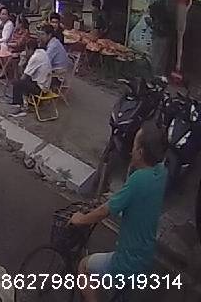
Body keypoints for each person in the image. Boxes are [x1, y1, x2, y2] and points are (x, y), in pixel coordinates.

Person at [70, 126, 167, 301]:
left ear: (140, 152)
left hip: (126, 260)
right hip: (145, 254)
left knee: (83, 267)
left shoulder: (138, 180)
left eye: (134, 145)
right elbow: (137, 199)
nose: (131, 149)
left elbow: (104, 211)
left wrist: (81, 219)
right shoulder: (161, 172)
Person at [8, 38, 50, 112]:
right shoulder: (42, 52)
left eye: (26, 49)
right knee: (24, 81)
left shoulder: (35, 58)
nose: (25, 52)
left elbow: (24, 76)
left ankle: (19, 105)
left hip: (40, 88)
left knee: (17, 83)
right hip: (45, 84)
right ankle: (25, 100)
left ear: (30, 49)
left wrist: (21, 63)